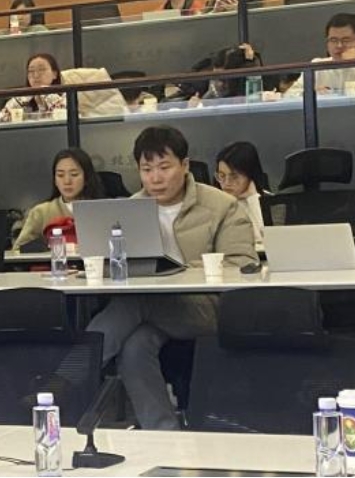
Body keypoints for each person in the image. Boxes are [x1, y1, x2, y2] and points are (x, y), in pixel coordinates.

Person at [85, 126, 256, 430]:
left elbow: (243, 266)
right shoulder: (128, 210)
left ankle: (68, 378)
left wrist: (179, 273)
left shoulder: (221, 206)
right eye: (146, 169)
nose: (155, 178)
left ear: (185, 165)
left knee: (136, 303)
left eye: (164, 167)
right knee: (135, 346)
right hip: (153, 311)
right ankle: (163, 433)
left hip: (208, 308)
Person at [13, 148, 104, 249]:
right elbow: (18, 250)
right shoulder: (41, 212)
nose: (67, 181)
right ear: (55, 180)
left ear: (86, 178)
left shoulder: (101, 211)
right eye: (60, 175)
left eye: (74, 174)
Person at [214, 142, 270, 242]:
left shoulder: (273, 204)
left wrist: (253, 199)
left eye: (234, 176)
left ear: (250, 175)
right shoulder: (213, 204)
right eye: (222, 176)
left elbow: (267, 240)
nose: (226, 183)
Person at [0, 52, 65, 120]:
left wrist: (46, 93)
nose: (36, 75)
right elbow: (1, 119)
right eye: (31, 71)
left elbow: (64, 116)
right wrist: (24, 98)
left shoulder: (66, 96)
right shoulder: (20, 99)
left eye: (41, 69)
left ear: (54, 74)